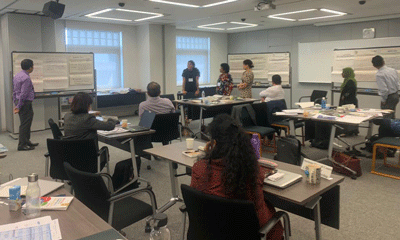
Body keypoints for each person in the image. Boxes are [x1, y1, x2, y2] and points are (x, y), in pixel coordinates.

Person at [191, 114, 283, 239]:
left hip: (208, 233)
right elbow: (260, 213)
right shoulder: (250, 173)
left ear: (214, 143)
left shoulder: (199, 168)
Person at [13, 59, 38, 151]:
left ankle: (27, 141)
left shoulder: (17, 75)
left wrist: (16, 103)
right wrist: (19, 106)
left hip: (20, 101)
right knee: (25, 124)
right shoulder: (26, 78)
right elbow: (23, 94)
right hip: (24, 102)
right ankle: (22, 145)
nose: (33, 68)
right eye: (33, 66)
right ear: (30, 67)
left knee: (26, 122)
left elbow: (15, 91)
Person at [338, 67, 359, 136]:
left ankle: (347, 132)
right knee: (351, 116)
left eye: (343, 73)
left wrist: (345, 96)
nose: (342, 74)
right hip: (350, 101)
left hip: (349, 101)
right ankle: (354, 131)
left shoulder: (350, 81)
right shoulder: (348, 80)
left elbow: (351, 90)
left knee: (347, 116)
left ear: (347, 73)